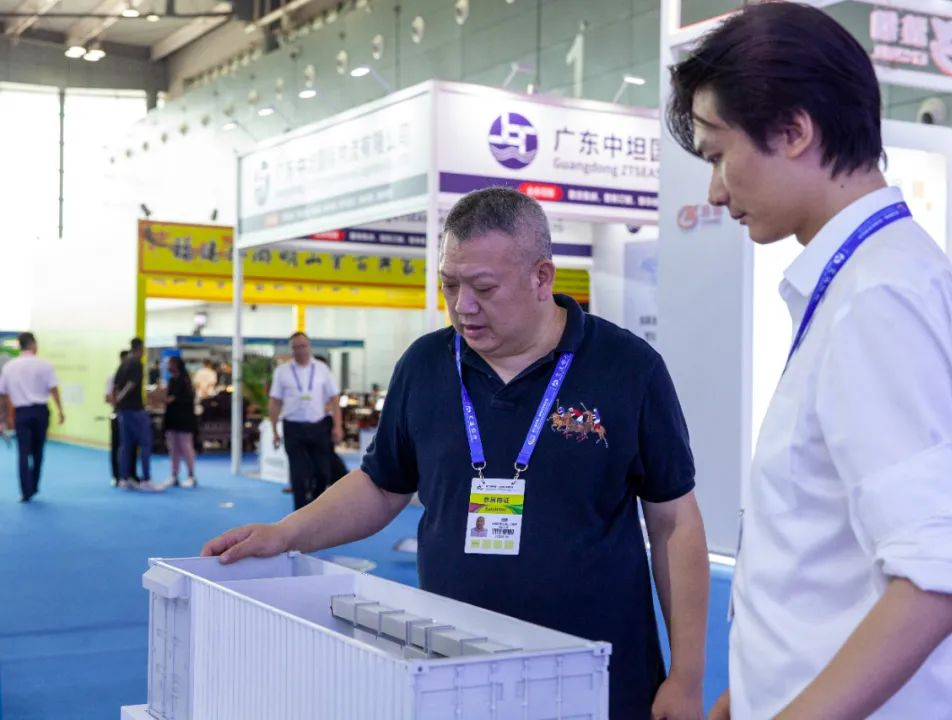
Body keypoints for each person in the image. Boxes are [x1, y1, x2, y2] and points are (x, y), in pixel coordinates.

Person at [203, 188, 710, 720]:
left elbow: (674, 521)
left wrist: (688, 675)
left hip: (596, 675)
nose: (463, 306)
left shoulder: (628, 368)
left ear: (542, 278)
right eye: (449, 285)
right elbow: (381, 484)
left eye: (484, 288)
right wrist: (286, 533)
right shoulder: (425, 364)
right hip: (452, 670)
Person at [668, 5, 952, 719]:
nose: (715, 191)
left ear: (794, 131)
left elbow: (935, 583)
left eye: (718, 154)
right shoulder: (867, 278)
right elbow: (829, 563)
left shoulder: (878, 294)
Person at [267, 332, 343, 510]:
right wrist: (274, 430)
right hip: (293, 428)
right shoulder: (282, 372)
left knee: (323, 473)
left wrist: (338, 426)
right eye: (295, 347)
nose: (300, 350)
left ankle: (315, 509)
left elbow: (334, 399)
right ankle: (299, 512)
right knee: (299, 475)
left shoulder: (322, 369)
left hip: (319, 426)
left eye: (303, 346)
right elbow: (275, 402)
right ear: (291, 349)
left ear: (309, 347)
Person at [0, 332, 64, 502]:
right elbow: (54, 388)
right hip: (40, 412)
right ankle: (34, 485)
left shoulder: (9, 367)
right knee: (38, 451)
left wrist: (3, 418)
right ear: (34, 344)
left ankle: (25, 490)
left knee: (23, 452)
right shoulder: (45, 364)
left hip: (21, 413)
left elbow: (3, 394)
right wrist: (60, 410)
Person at [113, 338, 157, 491]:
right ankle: (146, 479)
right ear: (140, 348)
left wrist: (117, 401)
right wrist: (121, 397)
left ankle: (124, 478)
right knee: (145, 443)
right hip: (135, 409)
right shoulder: (137, 363)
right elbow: (131, 384)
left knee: (125, 445)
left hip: (123, 410)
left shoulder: (123, 363)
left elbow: (116, 384)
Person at [106, 350, 141, 487]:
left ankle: (131, 474)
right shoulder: (113, 378)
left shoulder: (133, 379)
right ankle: (116, 476)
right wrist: (117, 401)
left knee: (132, 446)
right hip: (118, 414)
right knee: (117, 446)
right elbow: (108, 397)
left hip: (131, 414)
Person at [163, 356, 198, 488]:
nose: (168, 367)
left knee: (186, 447)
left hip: (184, 419)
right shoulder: (171, 380)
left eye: (170, 364)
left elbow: (189, 399)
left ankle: (191, 475)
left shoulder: (186, 381)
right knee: (173, 448)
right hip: (171, 418)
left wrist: (174, 399)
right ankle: (174, 475)